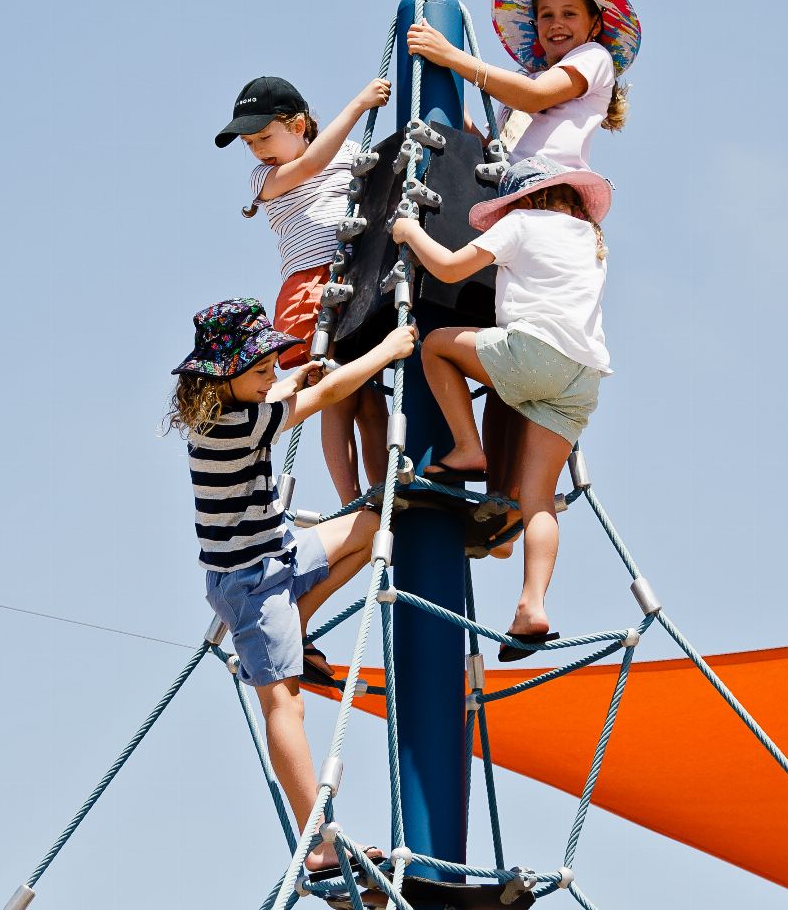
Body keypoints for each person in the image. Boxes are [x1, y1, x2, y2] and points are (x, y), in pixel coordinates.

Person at [167, 297, 417, 880]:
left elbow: (283, 395)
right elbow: (320, 399)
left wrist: (288, 380)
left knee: (369, 527)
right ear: (228, 379)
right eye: (261, 372)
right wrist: (385, 351)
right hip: (251, 587)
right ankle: (320, 840)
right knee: (285, 702)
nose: (270, 380)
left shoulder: (228, 410)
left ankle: (298, 625)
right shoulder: (240, 423)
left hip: (278, 554)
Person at [391, 156, 612, 661]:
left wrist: (408, 231)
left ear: (520, 198)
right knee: (537, 501)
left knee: (436, 347)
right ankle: (532, 604)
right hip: (582, 376)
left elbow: (446, 267)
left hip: (534, 351)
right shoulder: (591, 240)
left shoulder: (521, 223)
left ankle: (468, 449)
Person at [216, 74, 393, 501]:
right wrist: (358, 105)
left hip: (355, 277)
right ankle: (351, 498)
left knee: (369, 399)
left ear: (298, 126)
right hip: (311, 285)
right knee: (334, 392)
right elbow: (312, 166)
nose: (258, 150)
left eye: (263, 137)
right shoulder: (264, 178)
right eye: (250, 144)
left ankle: (384, 490)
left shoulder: (348, 154)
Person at [405, 0, 641, 170]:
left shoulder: (593, 56)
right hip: (510, 188)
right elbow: (493, 154)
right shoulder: (521, 85)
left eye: (569, 14)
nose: (556, 23)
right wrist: (457, 105)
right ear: (535, 25)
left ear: (595, 25)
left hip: (546, 183)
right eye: (546, 15)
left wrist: (451, 56)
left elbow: (533, 96)